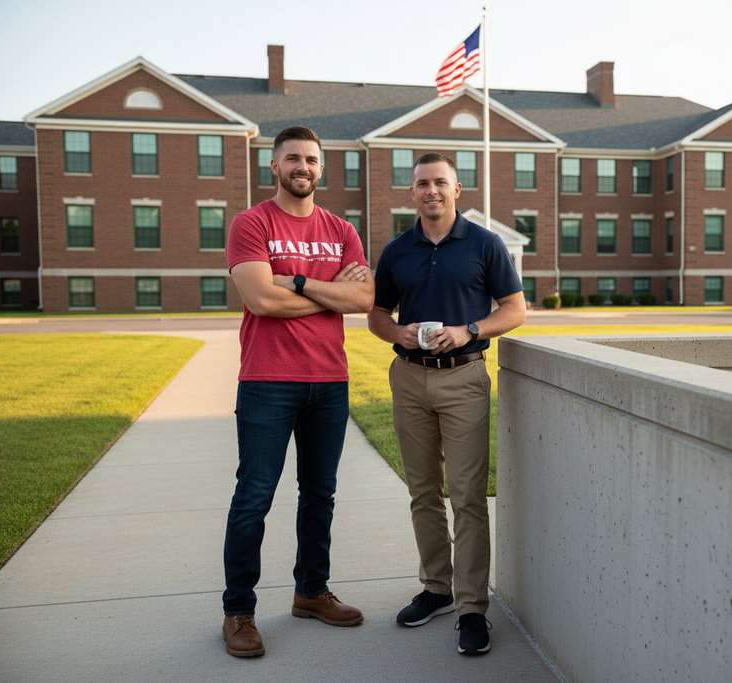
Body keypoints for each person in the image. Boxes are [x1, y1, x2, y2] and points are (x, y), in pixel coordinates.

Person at [221, 126, 374, 658]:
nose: (302, 166)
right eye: (292, 158)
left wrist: (300, 283)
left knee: (320, 495)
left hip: (329, 382)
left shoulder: (341, 229)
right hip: (267, 381)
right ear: (275, 165)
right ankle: (238, 610)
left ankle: (311, 591)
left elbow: (365, 299)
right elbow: (261, 302)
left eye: (311, 158)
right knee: (253, 498)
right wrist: (335, 294)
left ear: (321, 166)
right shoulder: (251, 223)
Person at [367, 152, 526, 655]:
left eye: (441, 183)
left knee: (466, 495)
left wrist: (468, 331)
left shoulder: (484, 243)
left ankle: (472, 608)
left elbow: (516, 310)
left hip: (464, 380)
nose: (431, 191)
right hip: (409, 379)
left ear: (458, 190)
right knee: (422, 491)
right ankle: (436, 588)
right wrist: (399, 332)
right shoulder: (397, 251)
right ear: (411, 193)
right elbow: (376, 316)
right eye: (422, 184)